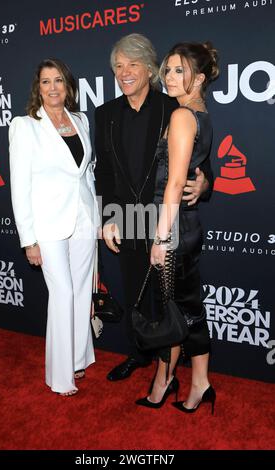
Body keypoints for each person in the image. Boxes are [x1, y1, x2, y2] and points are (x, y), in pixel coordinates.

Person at [95, 34, 213, 382]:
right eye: (118, 66)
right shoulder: (105, 115)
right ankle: (138, 354)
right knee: (135, 291)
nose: (124, 72)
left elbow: (199, 163)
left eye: (132, 64)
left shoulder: (173, 107)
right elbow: (103, 171)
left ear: (149, 68)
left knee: (169, 299)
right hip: (128, 218)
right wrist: (108, 218)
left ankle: (168, 367)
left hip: (165, 216)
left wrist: (206, 183)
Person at [135, 41, 219, 413]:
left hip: (173, 229)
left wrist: (160, 239)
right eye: (167, 69)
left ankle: (184, 381)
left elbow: (173, 183)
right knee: (183, 306)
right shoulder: (199, 114)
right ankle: (184, 380)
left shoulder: (183, 117)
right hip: (184, 225)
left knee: (178, 308)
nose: (168, 77)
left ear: (198, 78)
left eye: (179, 70)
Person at [9, 58, 99, 396]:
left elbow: (87, 174)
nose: (52, 87)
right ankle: (60, 377)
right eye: (45, 82)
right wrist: (28, 239)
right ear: (38, 88)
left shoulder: (80, 120)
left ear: (68, 86)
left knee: (79, 292)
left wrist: (98, 218)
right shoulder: (25, 125)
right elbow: (20, 187)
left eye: (58, 80)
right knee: (62, 293)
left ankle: (77, 359)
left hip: (83, 220)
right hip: (47, 225)